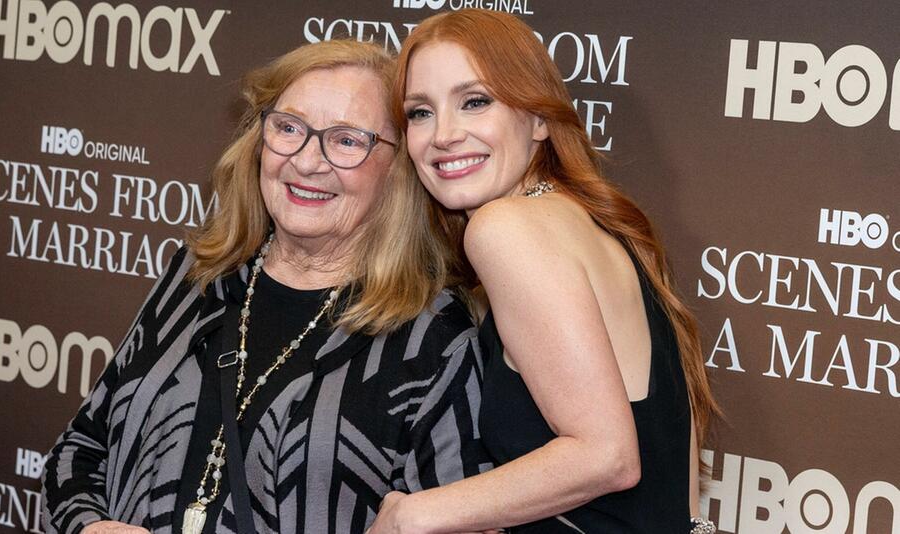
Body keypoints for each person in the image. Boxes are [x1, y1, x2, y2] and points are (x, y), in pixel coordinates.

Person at [42, 40, 490, 534]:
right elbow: (81, 447)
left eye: (345, 140)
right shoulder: (200, 276)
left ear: (398, 168)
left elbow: (458, 519)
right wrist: (89, 527)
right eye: (289, 128)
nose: (305, 161)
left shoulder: (433, 336)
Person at [369, 10, 719, 534]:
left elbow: (607, 456)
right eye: (419, 112)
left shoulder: (504, 229)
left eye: (475, 102)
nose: (443, 134)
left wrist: (412, 514)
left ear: (538, 119)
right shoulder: (589, 222)